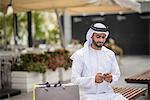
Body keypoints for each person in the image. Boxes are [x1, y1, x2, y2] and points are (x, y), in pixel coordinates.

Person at [70, 23, 127, 100]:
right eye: (98, 37)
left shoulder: (110, 54)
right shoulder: (80, 55)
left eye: (103, 37)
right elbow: (74, 80)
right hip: (87, 95)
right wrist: (93, 80)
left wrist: (111, 78)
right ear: (91, 36)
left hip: (107, 94)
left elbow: (116, 74)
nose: (101, 40)